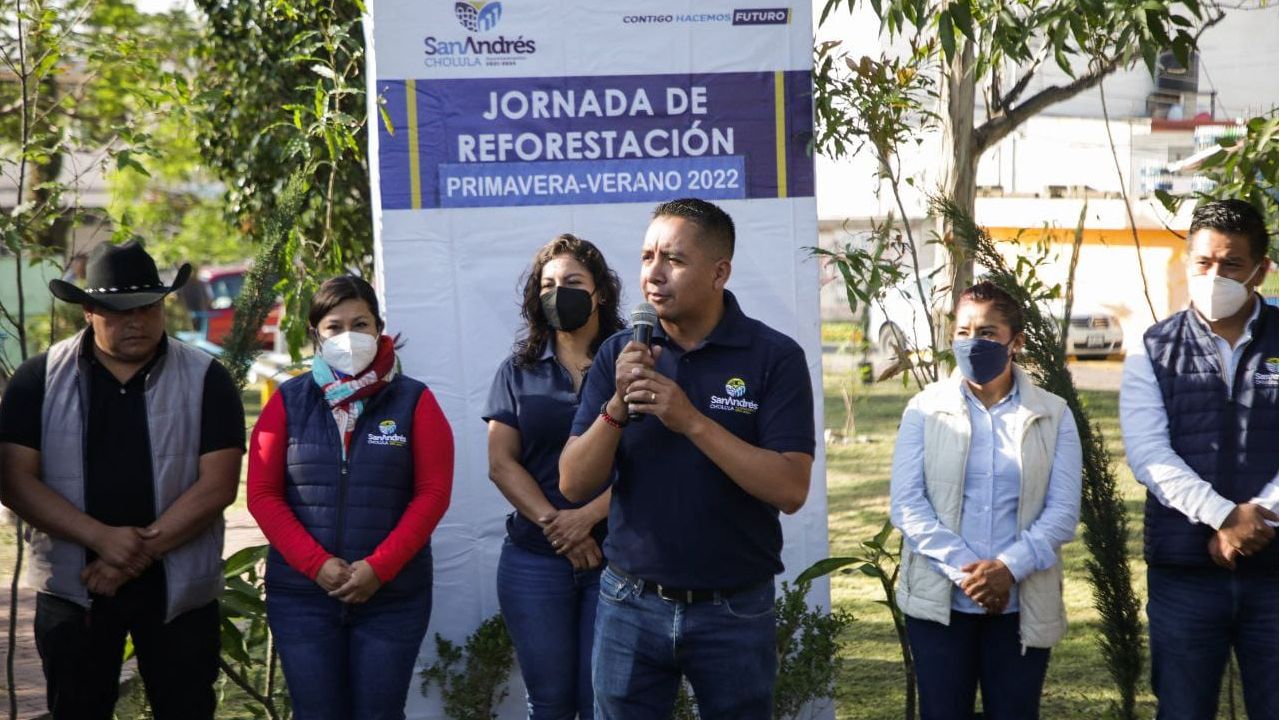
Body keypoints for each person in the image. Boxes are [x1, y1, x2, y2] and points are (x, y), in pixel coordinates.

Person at [559, 198, 816, 719]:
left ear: (719, 271)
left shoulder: (773, 357)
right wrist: (614, 406)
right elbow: (572, 484)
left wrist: (692, 420)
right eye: (647, 255)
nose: (653, 273)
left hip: (734, 609)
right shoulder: (618, 354)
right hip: (630, 600)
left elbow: (791, 489)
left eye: (673, 259)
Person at [0, 240, 245, 720]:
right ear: (88, 310)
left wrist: (128, 557)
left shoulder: (207, 378)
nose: (136, 321)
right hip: (75, 589)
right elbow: (14, 481)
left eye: (147, 307)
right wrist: (99, 539)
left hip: (179, 592)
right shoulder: (37, 380)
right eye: (118, 310)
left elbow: (218, 486)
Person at [246, 275, 453, 720]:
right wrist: (315, 564)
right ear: (315, 335)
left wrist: (380, 568)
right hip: (302, 597)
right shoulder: (287, 401)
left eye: (360, 324)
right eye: (334, 327)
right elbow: (263, 495)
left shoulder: (415, 401)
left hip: (392, 597)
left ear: (379, 327)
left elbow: (433, 494)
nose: (348, 337)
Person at [889, 280, 1081, 720]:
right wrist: (969, 574)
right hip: (940, 607)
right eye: (963, 331)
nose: (974, 342)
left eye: (989, 332)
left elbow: (1063, 513)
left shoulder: (1053, 414)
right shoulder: (924, 408)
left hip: (1020, 606)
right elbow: (907, 505)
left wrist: (1007, 570)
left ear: (1016, 342)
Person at [1120, 199, 1277, 720]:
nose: (1214, 275)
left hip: (1276, 572)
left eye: (1231, 265)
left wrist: (1262, 516)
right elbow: (1148, 453)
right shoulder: (1153, 347)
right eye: (1203, 263)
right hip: (1185, 573)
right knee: (1183, 710)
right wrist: (1225, 517)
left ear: (1262, 269)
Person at [483, 234, 624, 720]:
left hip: (617, 560)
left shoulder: (632, 362)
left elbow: (655, 460)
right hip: (534, 560)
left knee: (602, 701)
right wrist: (558, 526)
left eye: (571, 282)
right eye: (547, 284)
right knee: (550, 703)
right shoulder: (518, 370)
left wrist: (586, 517)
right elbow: (502, 464)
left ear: (599, 291)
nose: (557, 292)